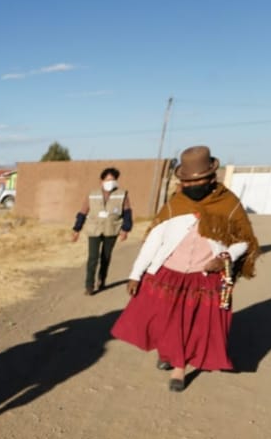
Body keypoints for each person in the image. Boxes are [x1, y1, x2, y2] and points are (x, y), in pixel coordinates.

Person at [111, 146, 259, 392]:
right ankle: (168, 352)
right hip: (168, 274)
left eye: (201, 180)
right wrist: (136, 274)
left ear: (213, 177)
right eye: (190, 182)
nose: (196, 185)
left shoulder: (229, 204)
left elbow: (244, 240)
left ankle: (179, 368)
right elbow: (153, 241)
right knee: (163, 321)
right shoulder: (175, 204)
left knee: (192, 324)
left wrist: (224, 256)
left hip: (204, 278)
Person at [70, 166, 132, 295]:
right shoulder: (92, 194)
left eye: (113, 180)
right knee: (93, 258)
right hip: (94, 229)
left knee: (106, 257)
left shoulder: (122, 194)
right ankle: (89, 286)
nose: (111, 182)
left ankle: (101, 279)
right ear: (101, 180)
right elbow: (82, 212)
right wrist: (77, 229)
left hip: (112, 229)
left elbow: (127, 213)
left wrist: (125, 229)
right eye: (108, 179)